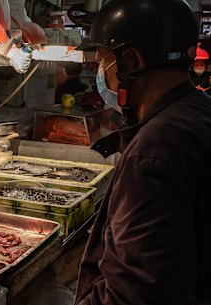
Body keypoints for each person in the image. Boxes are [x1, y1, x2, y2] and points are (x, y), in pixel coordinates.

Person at [74, 0, 211, 304]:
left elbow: (134, 294)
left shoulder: (155, 152)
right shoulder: (198, 112)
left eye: (103, 61)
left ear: (131, 61)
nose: (101, 74)